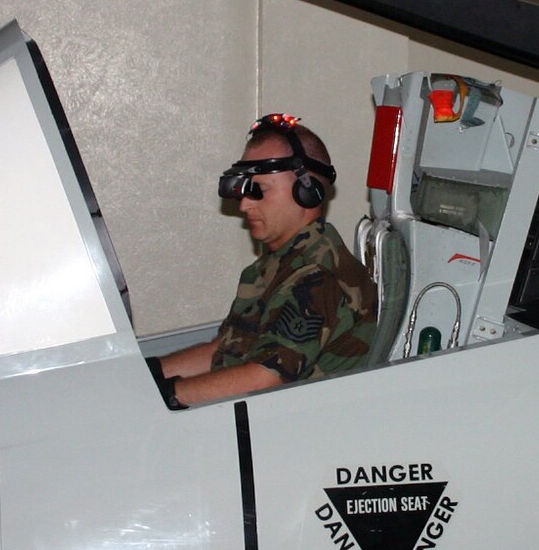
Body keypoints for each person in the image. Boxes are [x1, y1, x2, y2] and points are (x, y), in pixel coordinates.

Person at [146, 114, 376, 408]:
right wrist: (146, 378)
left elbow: (265, 377)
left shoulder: (316, 275)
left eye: (260, 190)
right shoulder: (276, 265)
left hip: (297, 429)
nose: (244, 204)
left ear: (306, 192)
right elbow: (224, 350)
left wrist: (165, 398)